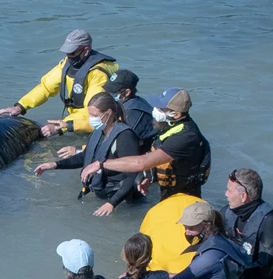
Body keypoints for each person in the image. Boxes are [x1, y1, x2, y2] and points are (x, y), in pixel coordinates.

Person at [79, 87, 211, 201]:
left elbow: (141, 163)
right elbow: (163, 158)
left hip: (184, 197)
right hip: (169, 192)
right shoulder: (171, 127)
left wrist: (101, 164)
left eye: (161, 109)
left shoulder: (185, 137)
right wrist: (150, 177)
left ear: (176, 115)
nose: (155, 110)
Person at [34, 92, 143, 216]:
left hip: (121, 199)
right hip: (102, 192)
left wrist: (112, 203)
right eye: (90, 114)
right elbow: (86, 156)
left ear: (108, 113)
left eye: (95, 115)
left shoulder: (125, 136)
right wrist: (55, 165)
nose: (92, 119)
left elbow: (133, 174)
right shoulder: (99, 131)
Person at [0, 29, 119, 138]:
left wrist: (60, 127)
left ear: (86, 50)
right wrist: (20, 106)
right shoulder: (69, 63)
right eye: (66, 53)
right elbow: (45, 88)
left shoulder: (98, 74)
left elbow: (93, 112)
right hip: (76, 121)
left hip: (97, 124)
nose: (68, 56)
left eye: (72, 53)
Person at [101, 69, 156, 151]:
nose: (108, 95)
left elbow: (123, 143)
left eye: (113, 92)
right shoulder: (124, 104)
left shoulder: (133, 114)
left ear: (127, 92)